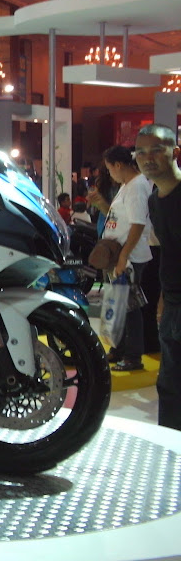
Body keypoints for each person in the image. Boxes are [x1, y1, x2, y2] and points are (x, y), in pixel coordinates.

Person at [134, 123, 181, 430]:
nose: (147, 158)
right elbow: (169, 252)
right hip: (173, 306)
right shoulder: (154, 200)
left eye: (155, 150)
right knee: (170, 386)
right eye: (141, 152)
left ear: (174, 152)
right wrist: (164, 298)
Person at [101, 144, 153, 372]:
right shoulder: (128, 185)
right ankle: (119, 349)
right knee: (119, 306)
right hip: (120, 255)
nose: (110, 173)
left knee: (130, 308)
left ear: (118, 165)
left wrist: (123, 256)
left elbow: (138, 224)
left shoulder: (137, 187)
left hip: (130, 257)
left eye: (109, 169)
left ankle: (133, 356)